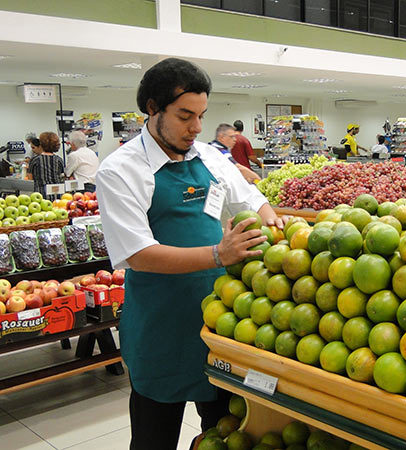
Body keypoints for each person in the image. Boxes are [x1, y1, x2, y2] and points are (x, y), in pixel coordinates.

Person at [96, 57, 286, 450]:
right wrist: (219, 254)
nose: (196, 127)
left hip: (222, 322)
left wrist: (276, 226)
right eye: (185, 116)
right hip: (160, 326)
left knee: (224, 431)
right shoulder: (121, 170)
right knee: (154, 436)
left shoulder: (209, 157)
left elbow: (251, 198)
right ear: (152, 108)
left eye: (200, 115)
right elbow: (139, 253)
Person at [28, 131, 64, 196]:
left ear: (41, 144)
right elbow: (61, 177)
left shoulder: (35, 160)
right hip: (57, 194)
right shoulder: (59, 160)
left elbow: (30, 179)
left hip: (40, 195)